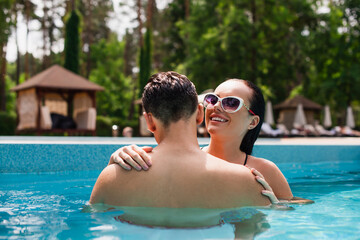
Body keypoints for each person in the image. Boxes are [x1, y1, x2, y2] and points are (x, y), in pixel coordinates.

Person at [90, 72, 273, 208]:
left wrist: (112, 170)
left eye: (231, 103)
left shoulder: (109, 179)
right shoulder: (245, 180)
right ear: (200, 114)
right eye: (213, 100)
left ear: (149, 121)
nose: (217, 107)